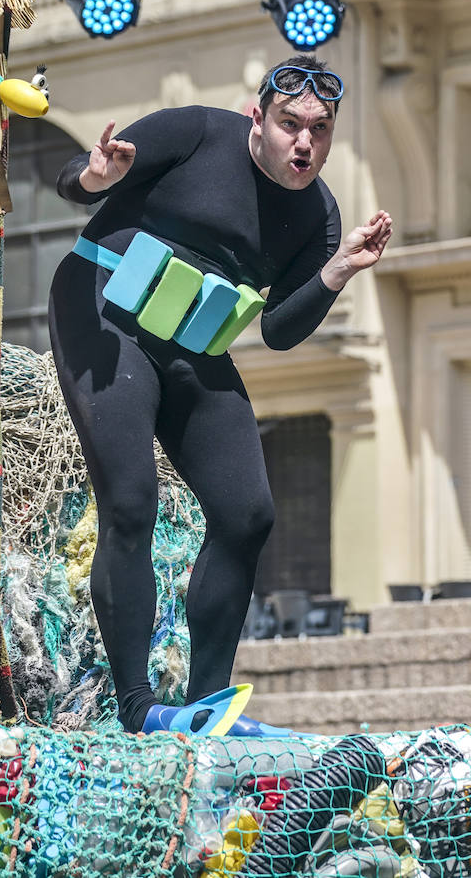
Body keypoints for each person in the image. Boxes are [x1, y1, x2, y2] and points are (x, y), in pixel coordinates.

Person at [50, 54, 393, 734]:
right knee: (131, 502)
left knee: (249, 515)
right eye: (289, 124)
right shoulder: (195, 132)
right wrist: (94, 177)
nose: (304, 142)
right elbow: (77, 185)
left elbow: (279, 331)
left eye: (319, 130)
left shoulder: (321, 212)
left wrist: (338, 269)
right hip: (103, 311)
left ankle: (205, 702)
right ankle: (137, 707)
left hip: (192, 346)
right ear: (256, 118)